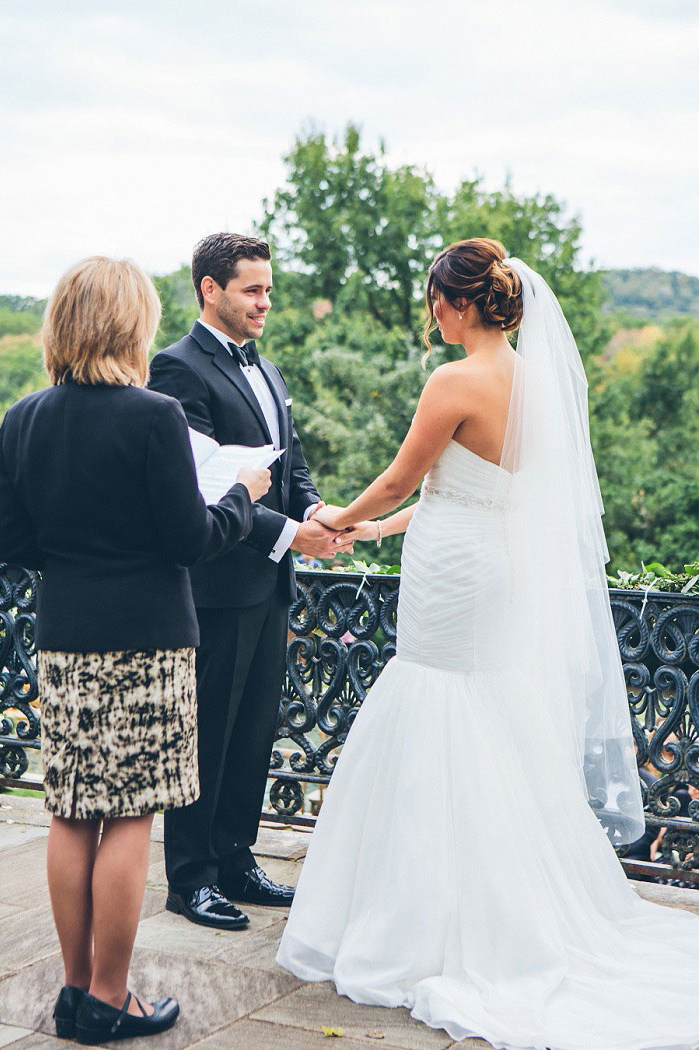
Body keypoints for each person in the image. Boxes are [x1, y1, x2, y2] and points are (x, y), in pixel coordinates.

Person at [277, 239, 699, 1049]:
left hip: (453, 575)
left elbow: (405, 476)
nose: (430, 312)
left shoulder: (454, 379)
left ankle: (437, 917)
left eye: (435, 299)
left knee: (437, 697)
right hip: (487, 559)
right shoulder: (535, 383)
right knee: (479, 705)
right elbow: (460, 489)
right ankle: (491, 895)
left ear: (461, 303)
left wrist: (328, 520)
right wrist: (377, 527)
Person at [0, 257, 271, 1045]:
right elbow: (193, 540)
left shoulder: (21, 418)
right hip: (149, 639)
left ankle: (74, 990)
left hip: (67, 637)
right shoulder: (153, 416)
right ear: (132, 324)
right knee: (128, 814)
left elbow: (12, 541)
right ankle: (111, 999)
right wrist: (240, 496)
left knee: (71, 811)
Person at [148, 233, 353, 930]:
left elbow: (289, 472)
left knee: (253, 729)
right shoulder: (175, 370)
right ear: (210, 289)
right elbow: (203, 485)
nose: (266, 302)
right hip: (214, 585)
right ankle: (191, 878)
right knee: (205, 734)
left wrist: (321, 514)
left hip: (270, 585)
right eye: (252, 290)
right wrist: (293, 533)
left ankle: (236, 859)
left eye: (268, 289)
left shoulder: (269, 371)